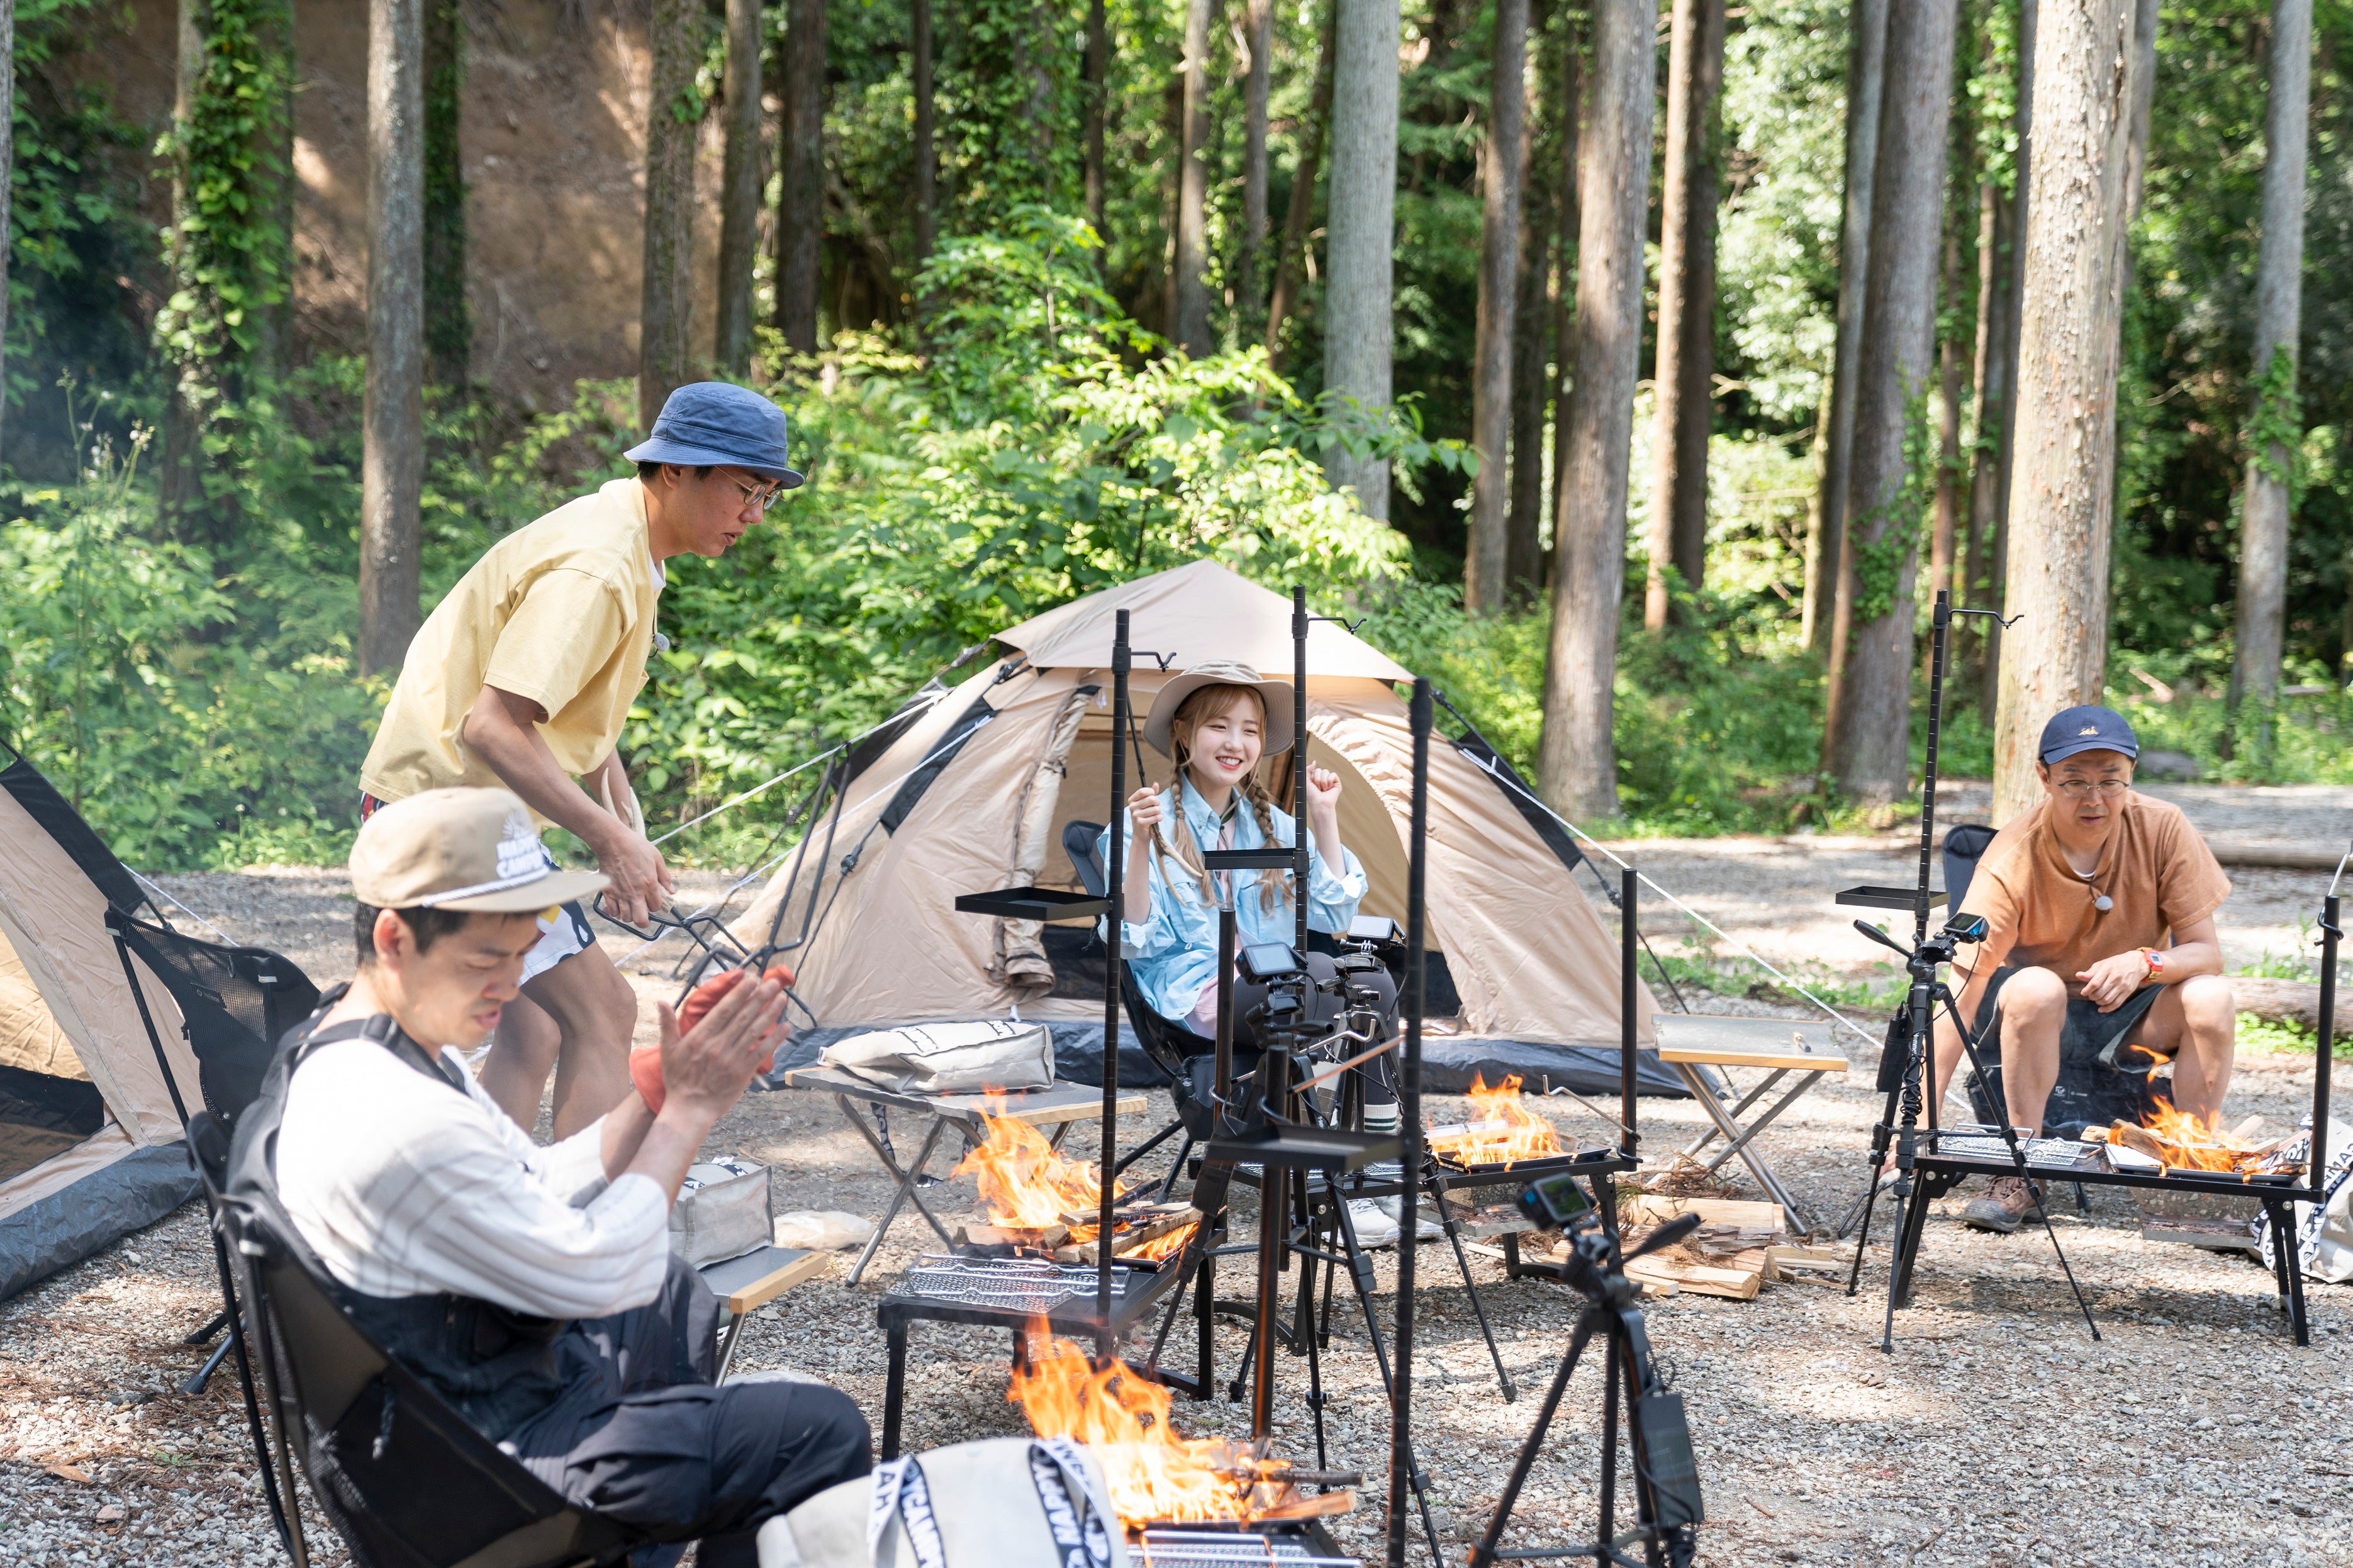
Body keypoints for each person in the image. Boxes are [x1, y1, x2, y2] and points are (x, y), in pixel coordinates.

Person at [259, 787, 869, 1564]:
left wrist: (656, 1081)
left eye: (522, 955)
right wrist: (687, 1112)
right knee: (812, 1432)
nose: (512, 986)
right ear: (394, 936)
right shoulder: (391, 1113)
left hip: (427, 1402)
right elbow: (598, 1270)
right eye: (487, 958)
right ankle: (621, 1519)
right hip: (469, 1462)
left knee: (676, 1295)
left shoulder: (364, 1044)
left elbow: (537, 1182)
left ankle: (638, 1527)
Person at [358, 381, 803, 1138]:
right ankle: (575, 1238)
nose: (754, 515)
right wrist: (609, 843)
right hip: (443, 823)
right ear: (674, 471)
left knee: (537, 1029)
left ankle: (486, 1207)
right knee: (604, 1010)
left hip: (453, 813)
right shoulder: (597, 569)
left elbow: (575, 722)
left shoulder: (629, 544)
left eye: (767, 494)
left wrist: (627, 832)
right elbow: (493, 727)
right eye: (743, 489)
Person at [1104, 660, 1427, 1246]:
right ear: (1183, 731)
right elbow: (1130, 939)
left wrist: (1325, 819)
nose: (1235, 743)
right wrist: (1142, 844)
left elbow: (1336, 915)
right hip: (1198, 995)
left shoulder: (1271, 824)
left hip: (1269, 984)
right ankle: (1325, 1171)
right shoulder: (1141, 821)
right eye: (1218, 726)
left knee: (1373, 979)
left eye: (1250, 729)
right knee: (1327, 981)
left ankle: (1377, 1173)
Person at [1931, 705, 2236, 1233]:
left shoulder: (2163, 828)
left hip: (2130, 1014)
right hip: (2037, 1020)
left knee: (2211, 996)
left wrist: (2147, 961)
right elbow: (1962, 988)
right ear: (2045, 777)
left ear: (2131, 775)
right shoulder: (2012, 857)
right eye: (2074, 782)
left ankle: (2193, 1169)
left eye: (2110, 781)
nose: (2094, 798)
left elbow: (2206, 953)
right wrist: (1920, 1126)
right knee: (2033, 986)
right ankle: (2020, 1167)